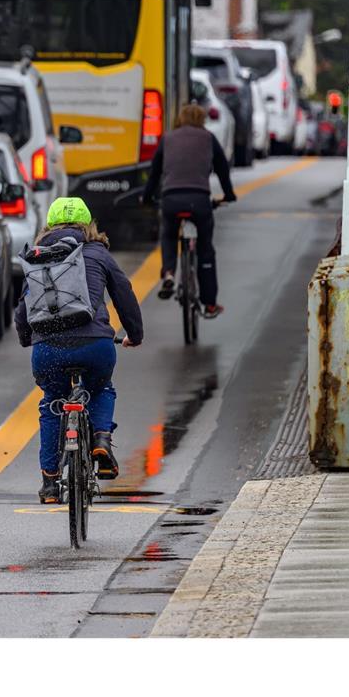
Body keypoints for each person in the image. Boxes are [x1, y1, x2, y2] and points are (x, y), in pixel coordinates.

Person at [15, 197, 144, 504]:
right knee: (101, 389)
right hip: (96, 346)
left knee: (52, 403)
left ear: (50, 225)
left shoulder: (37, 257)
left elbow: (24, 310)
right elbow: (124, 294)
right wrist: (135, 335)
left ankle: (49, 483)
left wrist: (26, 339)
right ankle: (101, 438)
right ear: (88, 225)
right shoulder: (99, 253)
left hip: (48, 350)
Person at [141, 103, 236, 318]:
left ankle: (168, 273)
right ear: (202, 120)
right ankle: (210, 303)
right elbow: (222, 169)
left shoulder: (168, 139)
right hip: (200, 201)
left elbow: (154, 173)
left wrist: (147, 198)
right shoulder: (208, 138)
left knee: (168, 235)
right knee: (205, 250)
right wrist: (229, 195)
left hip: (171, 199)